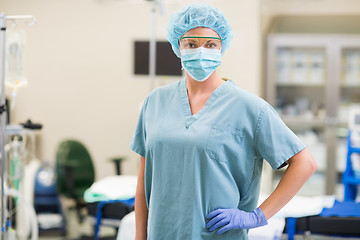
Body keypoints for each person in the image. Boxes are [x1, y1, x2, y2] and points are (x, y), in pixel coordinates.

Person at [130, 3, 317, 240]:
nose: (200, 52)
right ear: (178, 46)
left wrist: (257, 216)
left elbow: (305, 163)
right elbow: (144, 180)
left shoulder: (249, 107)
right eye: (191, 44)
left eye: (210, 44)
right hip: (162, 233)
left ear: (221, 48)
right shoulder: (154, 102)